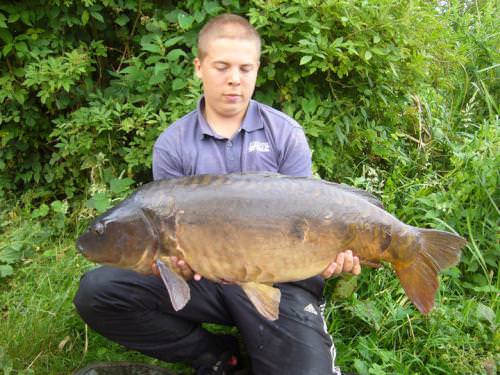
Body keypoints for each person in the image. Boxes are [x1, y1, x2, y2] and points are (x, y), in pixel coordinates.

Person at [74, 13, 361, 375]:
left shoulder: (285, 134)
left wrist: (331, 257)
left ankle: (269, 341)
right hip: (203, 281)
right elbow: (171, 249)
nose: (234, 80)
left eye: (245, 68)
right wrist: (173, 260)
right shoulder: (173, 144)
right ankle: (215, 354)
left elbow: (306, 224)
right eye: (222, 66)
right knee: (98, 292)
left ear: (256, 70)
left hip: (279, 281)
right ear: (199, 67)